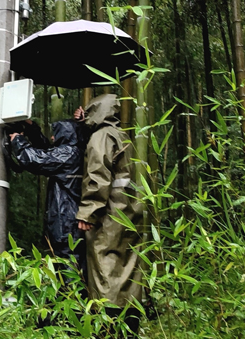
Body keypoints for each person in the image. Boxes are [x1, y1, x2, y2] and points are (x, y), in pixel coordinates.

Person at [75, 94, 144, 338]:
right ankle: (130, 325)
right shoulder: (122, 135)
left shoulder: (101, 137)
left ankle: (108, 327)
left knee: (104, 267)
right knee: (127, 268)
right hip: (129, 211)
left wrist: (87, 212)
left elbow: (98, 177)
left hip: (109, 214)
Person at [9, 119, 85, 270]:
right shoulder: (75, 152)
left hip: (66, 224)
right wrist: (32, 129)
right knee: (66, 266)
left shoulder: (68, 153)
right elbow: (46, 151)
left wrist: (17, 140)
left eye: (55, 134)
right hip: (69, 222)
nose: (52, 138)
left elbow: (35, 159)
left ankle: (70, 294)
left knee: (68, 268)